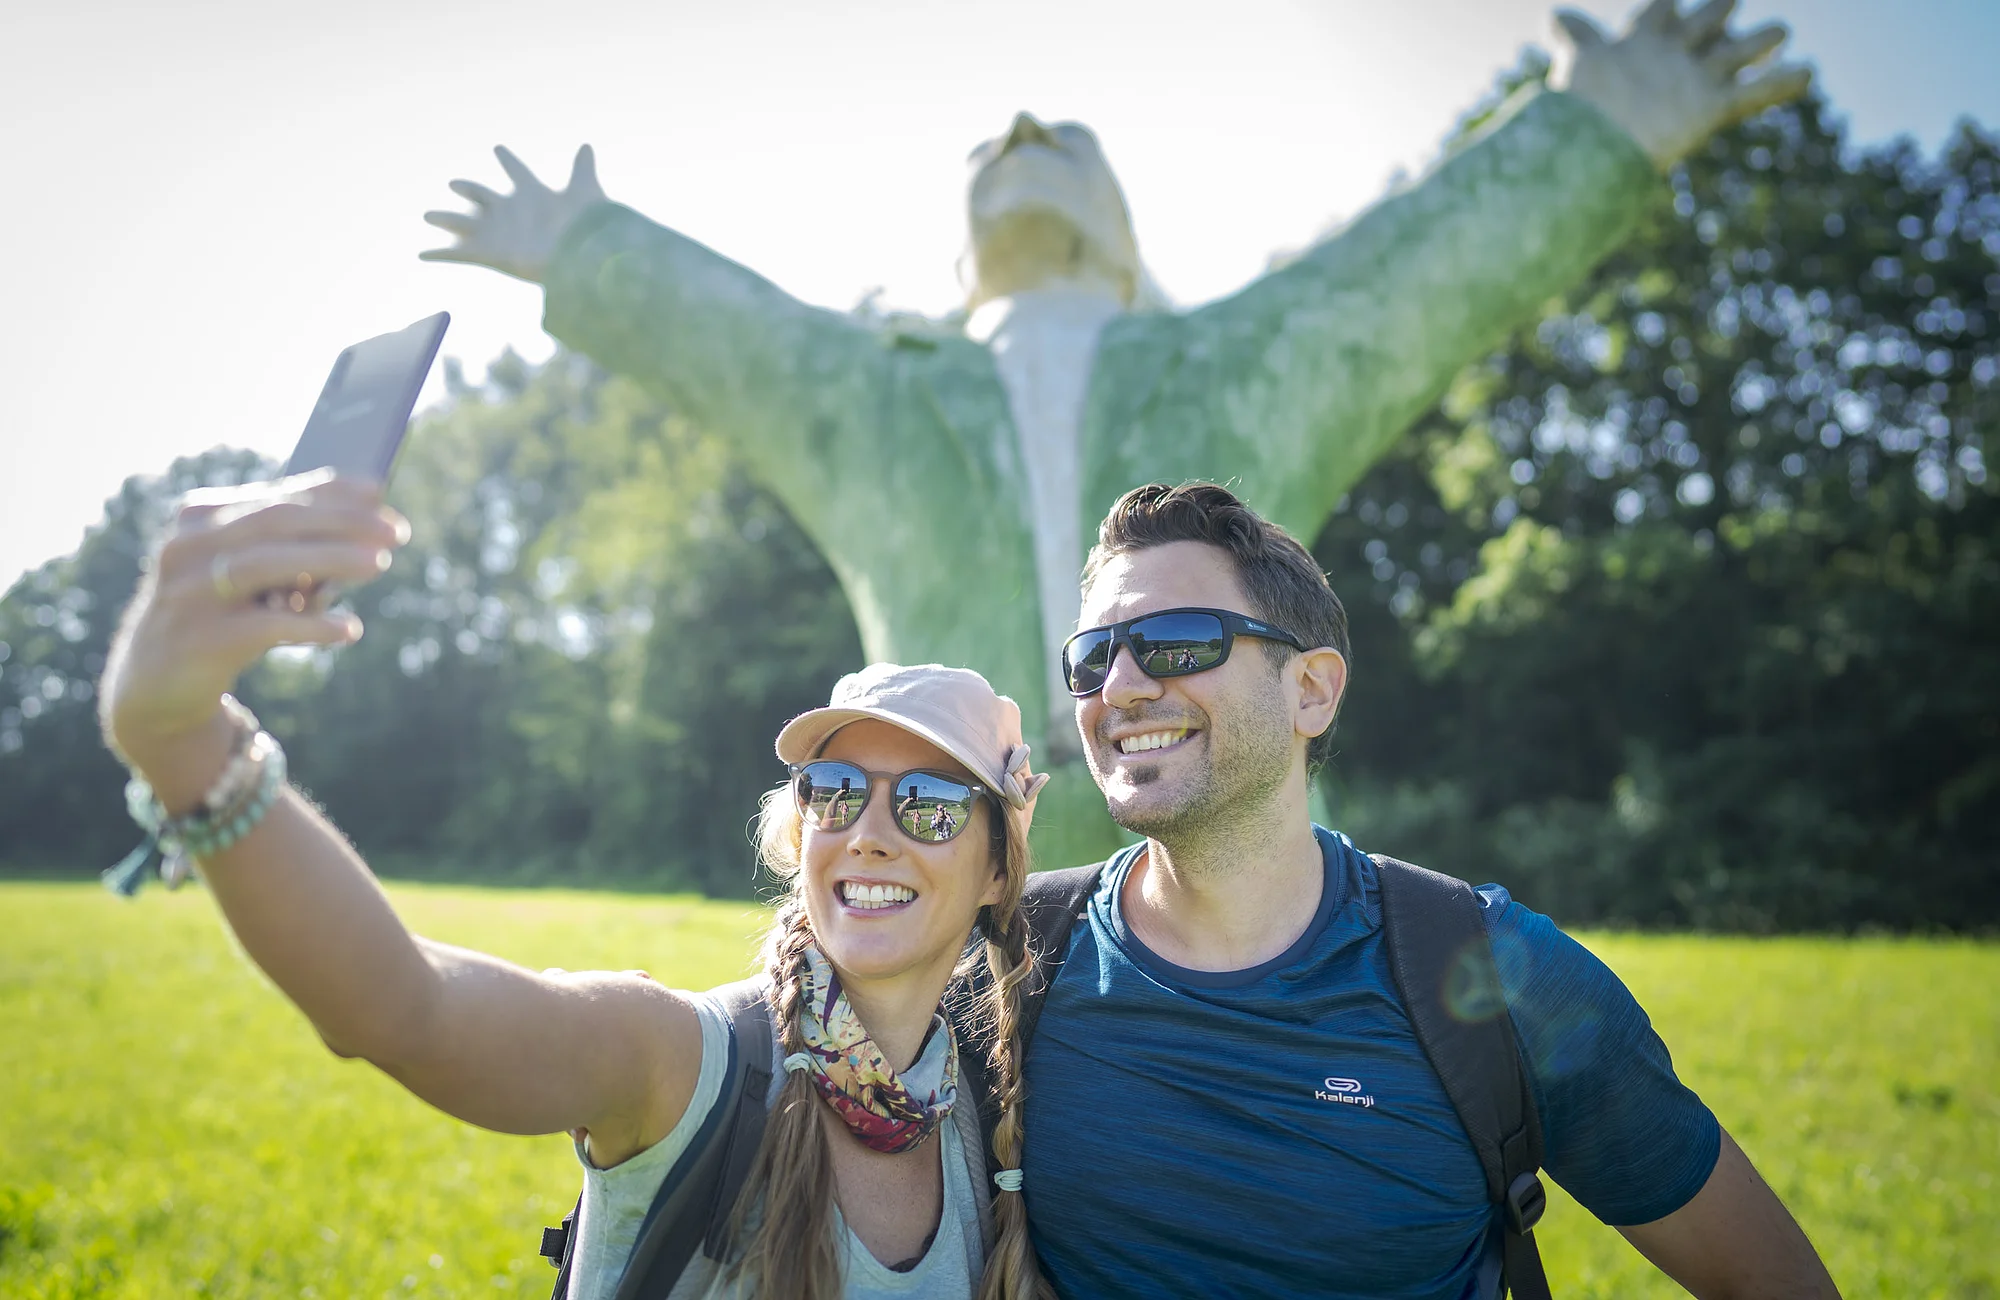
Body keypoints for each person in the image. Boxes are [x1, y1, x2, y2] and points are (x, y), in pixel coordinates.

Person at [95, 471, 1057, 1300]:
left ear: (996, 869)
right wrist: (183, 744)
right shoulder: (679, 1064)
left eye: (929, 804)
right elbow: (405, 1008)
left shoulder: (984, 1112)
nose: (872, 835)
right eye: (838, 792)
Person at [1018, 481, 1840, 1299]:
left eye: (1177, 641)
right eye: (1094, 656)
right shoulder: (1010, 958)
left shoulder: (1499, 973)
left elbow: (1771, 1283)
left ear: (1312, 690)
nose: (1119, 688)